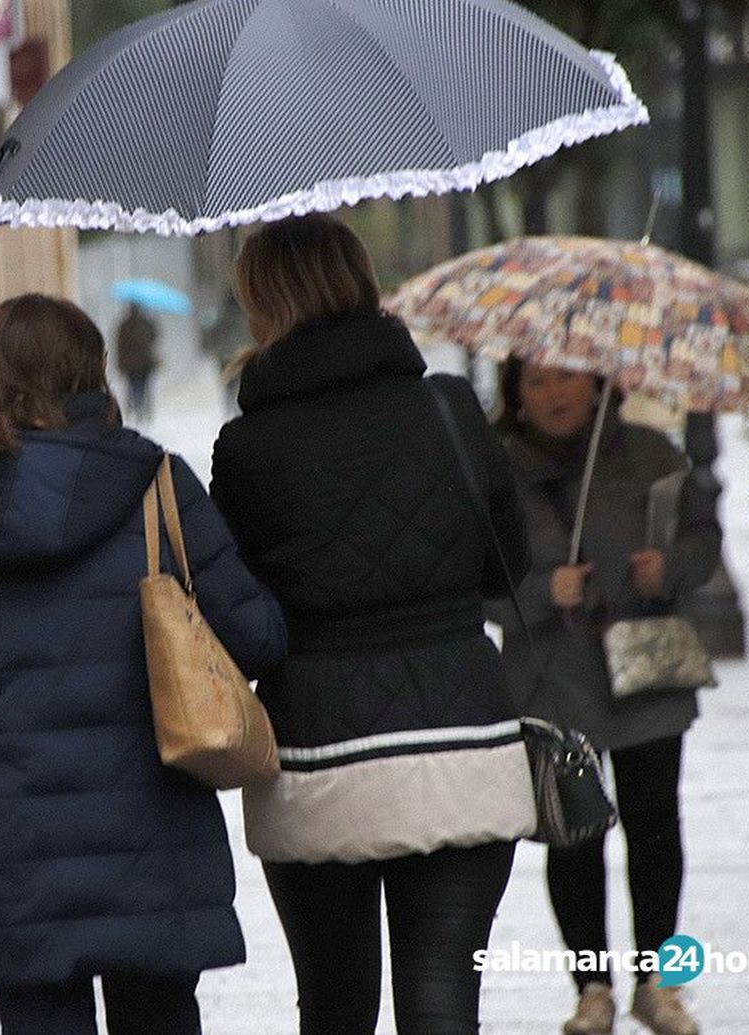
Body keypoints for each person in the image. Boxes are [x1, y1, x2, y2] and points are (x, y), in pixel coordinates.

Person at [0, 293, 286, 1035]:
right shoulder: (157, 483)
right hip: (149, 832)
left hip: (13, 839)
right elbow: (257, 637)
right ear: (91, 373)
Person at [208, 215, 536, 1035]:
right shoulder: (452, 408)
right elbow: (508, 569)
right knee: (443, 1009)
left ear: (263, 302)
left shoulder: (246, 447)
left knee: (335, 1008)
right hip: (464, 740)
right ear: (361, 285)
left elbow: (240, 620)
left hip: (320, 758)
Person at [490, 359, 722, 1035]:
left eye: (567, 378)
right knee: (574, 835)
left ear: (598, 384)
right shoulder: (495, 469)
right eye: (535, 381)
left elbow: (704, 540)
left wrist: (668, 567)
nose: (554, 392)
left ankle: (659, 983)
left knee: (655, 825)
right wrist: (539, 592)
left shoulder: (651, 454)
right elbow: (473, 577)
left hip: (642, 665)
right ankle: (591, 987)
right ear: (516, 395)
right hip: (555, 677)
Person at [114, 304, 159, 421]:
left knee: (134, 387)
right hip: (143, 364)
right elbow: (154, 337)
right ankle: (142, 410)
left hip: (131, 365)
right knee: (143, 387)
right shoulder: (144, 324)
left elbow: (119, 347)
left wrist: (120, 364)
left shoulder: (124, 325)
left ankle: (138, 409)